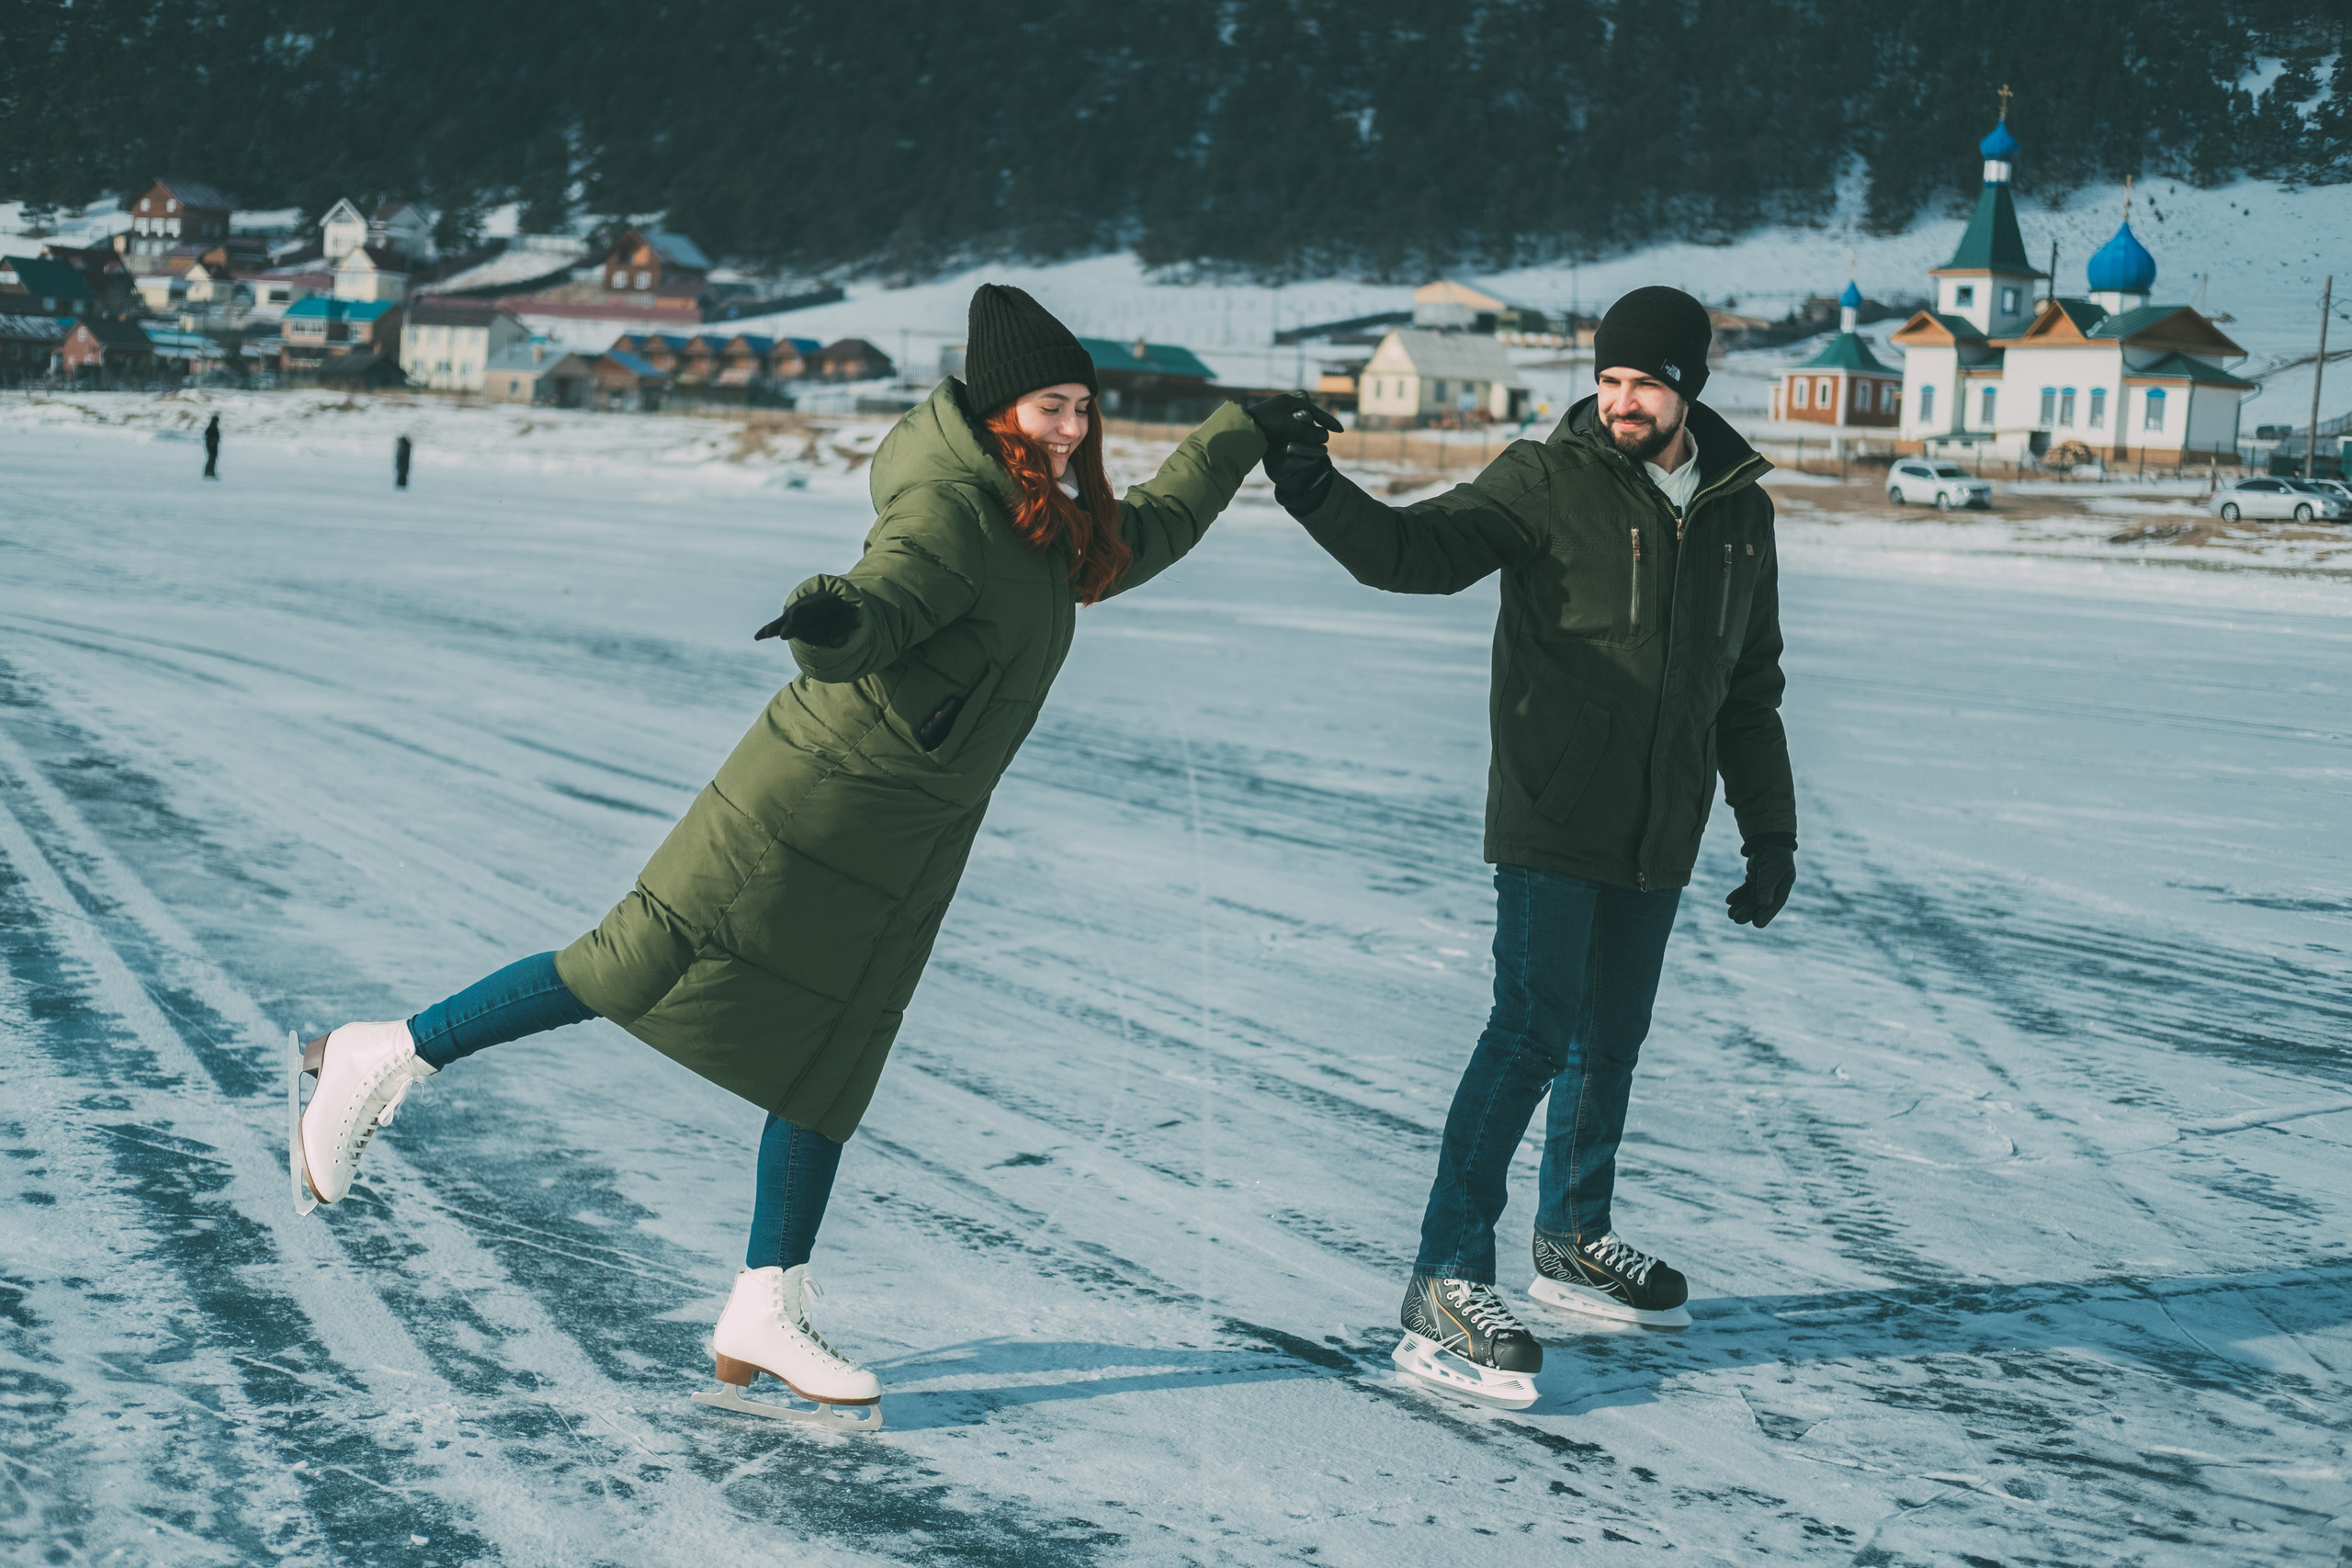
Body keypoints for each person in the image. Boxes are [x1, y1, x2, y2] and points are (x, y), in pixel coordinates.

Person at [292, 284, 1320, 1427]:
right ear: (995, 411)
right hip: (803, 807)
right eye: (1049, 406)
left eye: (1083, 405)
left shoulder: (1047, 523)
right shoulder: (954, 508)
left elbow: (1146, 535)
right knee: (628, 965)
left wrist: (1239, 434)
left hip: (908, 835)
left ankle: (763, 1306)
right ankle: (385, 1054)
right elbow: (887, 594)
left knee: (836, 1054)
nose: (1073, 428)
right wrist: (834, 621)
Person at [1260, 286, 1798, 1408]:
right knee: (1528, 1034)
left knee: (1612, 1038)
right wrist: (1313, 490)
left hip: (1661, 823)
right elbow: (1414, 553)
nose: (1620, 401)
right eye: (1607, 380)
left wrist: (1768, 832)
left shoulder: (1741, 510)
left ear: (1688, 385)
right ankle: (1445, 1278)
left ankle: (1573, 1235)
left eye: (1643, 382)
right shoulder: (1544, 478)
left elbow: (1748, 692)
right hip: (1553, 809)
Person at [202, 414, 220, 479]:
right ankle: (209, 472)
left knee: (212, 458)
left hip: (212, 445)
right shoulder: (212, 428)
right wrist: (212, 442)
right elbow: (211, 436)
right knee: (212, 458)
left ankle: (210, 471)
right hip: (212, 446)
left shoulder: (211, 427)